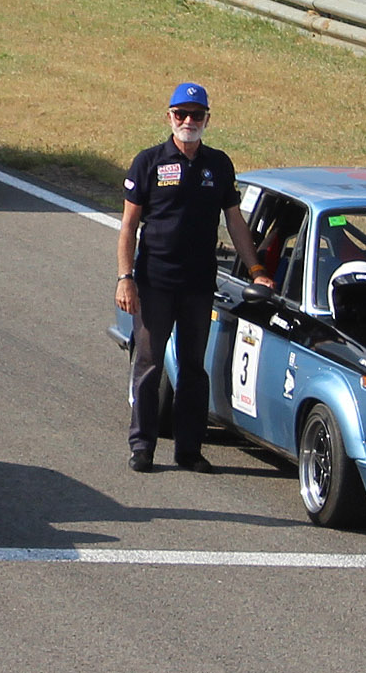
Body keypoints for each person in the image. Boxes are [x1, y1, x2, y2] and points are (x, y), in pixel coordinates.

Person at [116, 82, 267, 473]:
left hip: (199, 284)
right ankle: (142, 446)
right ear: (168, 117)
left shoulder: (219, 164)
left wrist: (257, 270)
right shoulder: (147, 162)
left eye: (196, 115)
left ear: (207, 120)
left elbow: (235, 221)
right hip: (154, 283)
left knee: (193, 368)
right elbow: (129, 227)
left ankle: (189, 450)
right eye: (180, 114)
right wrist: (125, 278)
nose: (188, 121)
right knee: (149, 364)